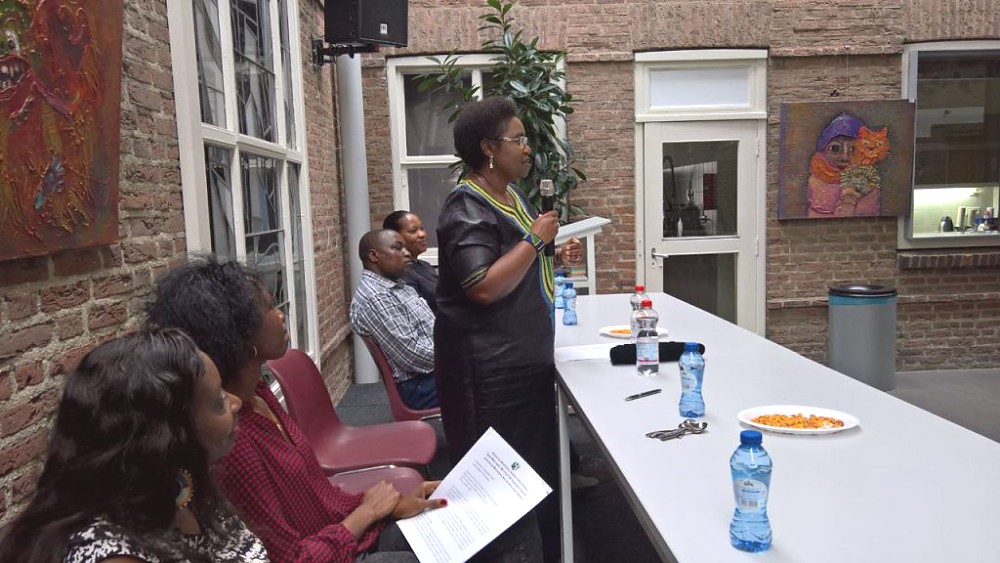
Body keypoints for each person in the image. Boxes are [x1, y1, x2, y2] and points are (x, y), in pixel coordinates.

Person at [146, 256, 445, 563]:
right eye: (269, 308)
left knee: (444, 525)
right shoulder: (233, 442)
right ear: (238, 334)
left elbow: (316, 498)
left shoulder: (259, 392)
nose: (281, 314)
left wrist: (384, 506)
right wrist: (367, 513)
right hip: (329, 552)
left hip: (340, 536)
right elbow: (291, 558)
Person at [435, 96, 583, 563]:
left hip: (521, 365)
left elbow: (512, 259)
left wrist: (552, 254)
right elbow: (482, 285)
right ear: (488, 148)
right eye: (517, 139)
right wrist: (537, 239)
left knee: (532, 478)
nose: (527, 148)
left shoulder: (510, 196)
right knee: (498, 493)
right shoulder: (465, 204)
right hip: (488, 379)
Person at [0, 329, 268, 563]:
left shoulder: (180, 486)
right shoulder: (114, 553)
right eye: (218, 400)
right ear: (169, 433)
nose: (235, 402)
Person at [350, 229, 438, 410]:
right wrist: (458, 353)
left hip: (433, 373)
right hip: (419, 386)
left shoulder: (398, 287)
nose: (407, 253)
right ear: (374, 256)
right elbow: (413, 356)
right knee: (492, 377)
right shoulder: (376, 298)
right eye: (398, 248)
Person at [383, 210, 437, 314]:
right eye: (413, 231)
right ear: (395, 237)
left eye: (422, 228)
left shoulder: (425, 265)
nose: (422, 234)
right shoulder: (401, 275)